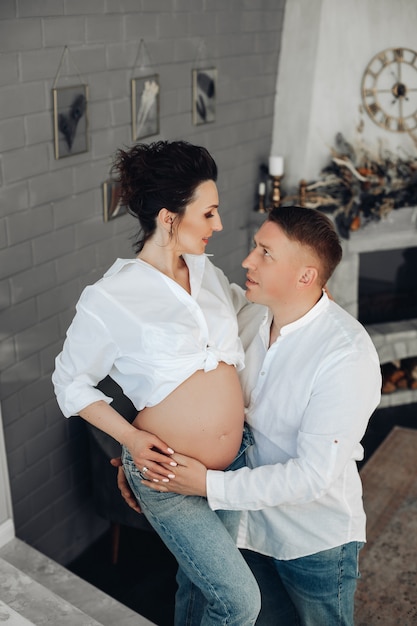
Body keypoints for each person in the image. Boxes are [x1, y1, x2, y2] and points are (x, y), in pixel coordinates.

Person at [122, 205, 382, 625]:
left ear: (305, 277)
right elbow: (194, 394)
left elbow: (313, 475)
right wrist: (136, 449)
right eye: (255, 248)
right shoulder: (248, 314)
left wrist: (206, 484)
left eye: (265, 253)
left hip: (311, 539)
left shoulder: (346, 355)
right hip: (241, 527)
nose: (247, 260)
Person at [52, 140, 261, 626]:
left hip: (229, 470)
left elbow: (250, 316)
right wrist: (130, 439)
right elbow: (69, 381)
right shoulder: (111, 297)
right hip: (165, 473)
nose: (219, 225)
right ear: (169, 218)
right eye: (208, 214)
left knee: (199, 585)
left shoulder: (208, 274)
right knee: (240, 603)